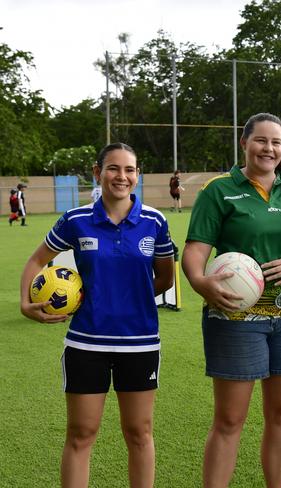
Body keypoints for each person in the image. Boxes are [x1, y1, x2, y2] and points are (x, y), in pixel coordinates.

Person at [19, 142, 175, 488]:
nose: (122, 176)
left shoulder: (154, 221)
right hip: (87, 343)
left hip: (140, 342)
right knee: (80, 434)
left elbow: (166, 276)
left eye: (129, 170)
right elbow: (35, 260)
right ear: (97, 173)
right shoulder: (76, 220)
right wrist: (24, 303)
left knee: (139, 433)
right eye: (113, 168)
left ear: (137, 175)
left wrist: (129, 298)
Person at [182, 112, 281, 488]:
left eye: (276, 142)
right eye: (261, 140)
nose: (269, 148)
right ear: (244, 144)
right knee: (229, 420)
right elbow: (195, 251)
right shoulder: (219, 190)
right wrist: (200, 282)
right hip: (235, 319)